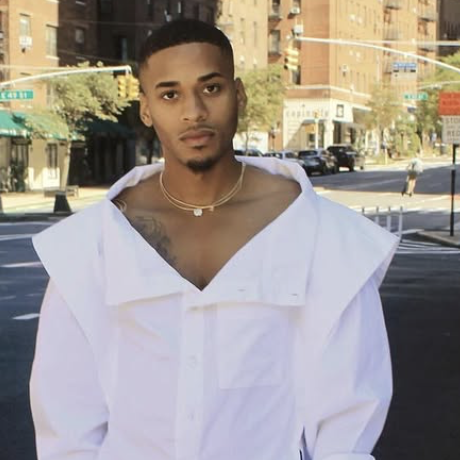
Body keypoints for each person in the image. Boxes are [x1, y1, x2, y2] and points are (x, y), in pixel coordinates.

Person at [30, 19, 398, 460]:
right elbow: (66, 416)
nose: (194, 112)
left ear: (238, 95)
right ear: (146, 109)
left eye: (211, 88)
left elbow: (349, 416)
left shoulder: (326, 236)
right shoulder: (91, 245)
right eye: (170, 95)